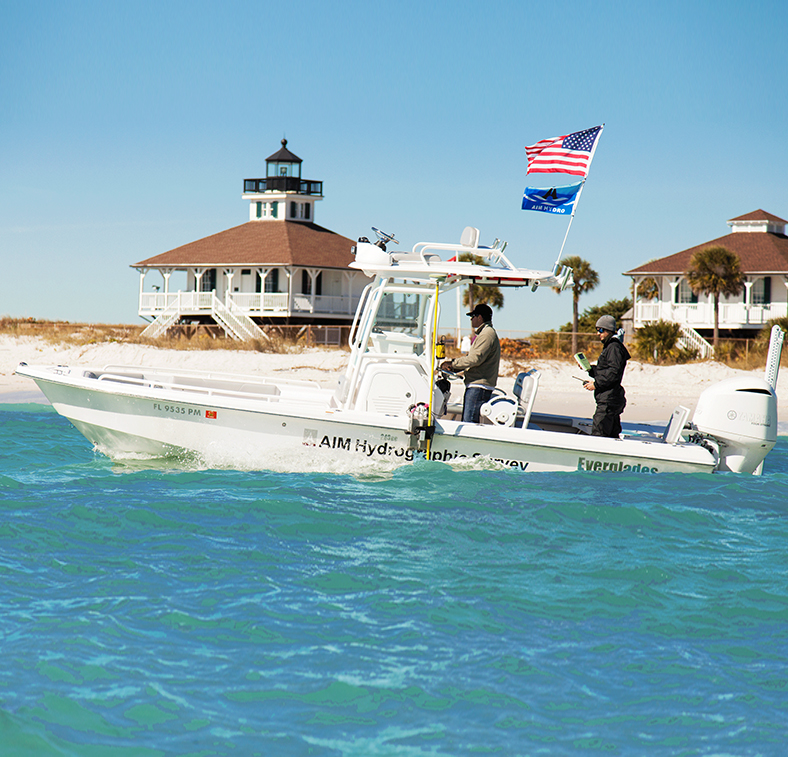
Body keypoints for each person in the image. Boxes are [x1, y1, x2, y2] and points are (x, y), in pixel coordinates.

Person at [440, 303, 500, 423]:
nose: (471, 319)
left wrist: (452, 363)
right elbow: (473, 359)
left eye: (473, 316)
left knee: (469, 423)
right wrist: (454, 368)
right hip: (477, 385)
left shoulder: (487, 334)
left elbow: (475, 359)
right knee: (468, 421)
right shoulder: (485, 333)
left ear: (480, 317)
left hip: (478, 386)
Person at [583, 314, 630, 438]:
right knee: (611, 435)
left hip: (609, 400)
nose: (598, 333)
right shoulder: (610, 346)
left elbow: (613, 374)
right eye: (597, 330)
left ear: (609, 330)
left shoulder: (614, 347)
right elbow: (605, 371)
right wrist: (590, 369)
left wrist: (596, 384)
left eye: (601, 330)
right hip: (609, 399)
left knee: (599, 434)